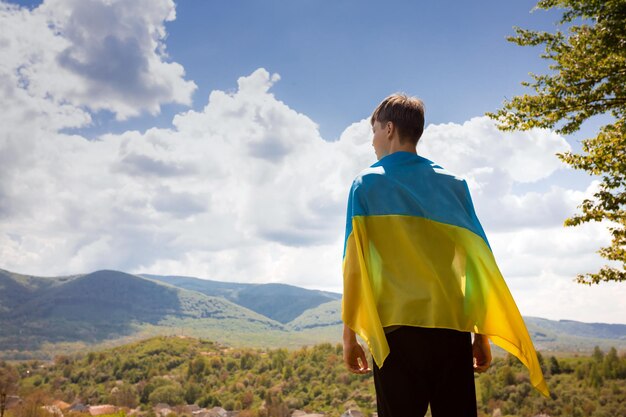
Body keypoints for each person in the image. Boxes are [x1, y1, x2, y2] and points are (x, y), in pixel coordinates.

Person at [341, 94, 548, 417]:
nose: (372, 141)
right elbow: (476, 262)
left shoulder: (365, 185)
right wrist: (480, 335)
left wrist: (349, 336)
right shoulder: (455, 185)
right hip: (451, 331)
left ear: (390, 129)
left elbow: (355, 267)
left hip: (396, 333)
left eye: (374, 131)